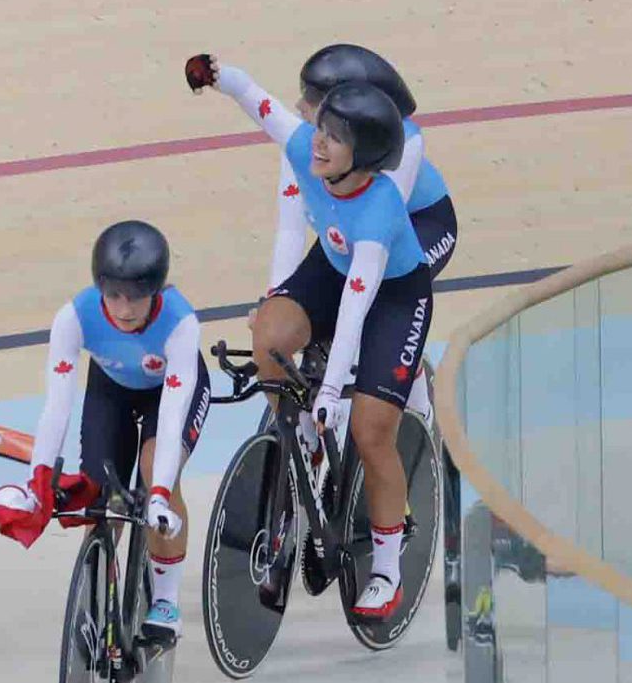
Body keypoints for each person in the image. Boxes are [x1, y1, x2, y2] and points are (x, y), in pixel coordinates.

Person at [187, 54, 433, 621]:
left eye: (334, 139)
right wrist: (217, 75)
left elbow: (354, 312)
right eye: (322, 130)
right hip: (333, 264)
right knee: (269, 336)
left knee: (373, 432)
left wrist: (329, 396)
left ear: (364, 157)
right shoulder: (306, 148)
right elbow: (262, 105)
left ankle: (388, 567)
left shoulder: (378, 214)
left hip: (392, 295)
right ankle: (303, 440)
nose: (317, 144)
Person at [0, 221, 212, 641]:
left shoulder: (181, 323)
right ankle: (99, 600)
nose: (124, 309)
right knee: (99, 497)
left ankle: (165, 600)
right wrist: (38, 483)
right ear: (99, 288)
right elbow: (57, 406)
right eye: (114, 296)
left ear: (156, 292)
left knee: (152, 468)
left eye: (136, 298)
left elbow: (171, 414)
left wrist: (160, 491)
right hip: (111, 390)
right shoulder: (74, 316)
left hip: (170, 393)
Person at [282, 44, 457, 425]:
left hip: (419, 226)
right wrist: (278, 293)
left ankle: (419, 412)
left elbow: (379, 237)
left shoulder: (406, 141)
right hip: (357, 228)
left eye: (310, 98)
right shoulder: (308, 145)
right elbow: (291, 225)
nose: (297, 105)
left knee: (383, 304)